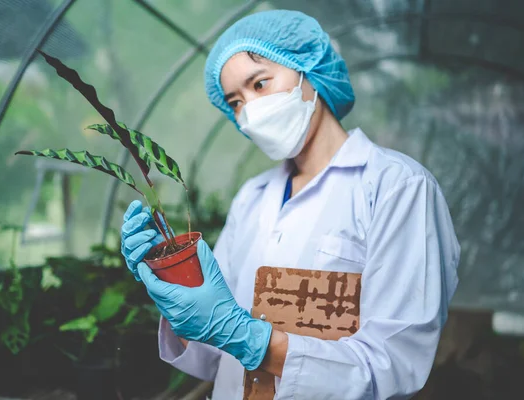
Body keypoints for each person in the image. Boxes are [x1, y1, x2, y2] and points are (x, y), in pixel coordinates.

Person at [120, 9, 460, 400]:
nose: (249, 111)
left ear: (308, 71)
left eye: (260, 84)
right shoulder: (252, 197)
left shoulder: (397, 187)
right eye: (235, 102)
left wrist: (250, 338)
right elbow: (216, 358)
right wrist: (174, 288)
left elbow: (391, 367)